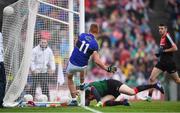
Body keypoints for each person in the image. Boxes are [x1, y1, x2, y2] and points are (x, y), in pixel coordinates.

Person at [66, 23, 117, 106]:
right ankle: (82, 84)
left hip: (72, 63)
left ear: (89, 30)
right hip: (82, 67)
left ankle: (74, 100)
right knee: (83, 65)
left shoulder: (82, 35)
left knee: (69, 78)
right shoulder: (95, 44)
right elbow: (97, 61)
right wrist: (106, 68)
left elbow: (76, 44)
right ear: (97, 32)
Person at [146, 24, 180, 101]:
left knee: (177, 80)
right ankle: (149, 97)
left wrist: (164, 51)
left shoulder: (167, 36)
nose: (160, 30)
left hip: (169, 63)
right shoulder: (162, 38)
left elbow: (175, 48)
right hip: (162, 62)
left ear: (166, 29)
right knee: (151, 78)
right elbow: (163, 50)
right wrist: (159, 53)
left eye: (162, 28)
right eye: (159, 29)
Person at [84, 79, 164, 107]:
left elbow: (93, 89)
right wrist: (100, 102)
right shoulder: (89, 95)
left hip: (112, 84)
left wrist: (99, 102)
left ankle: (155, 85)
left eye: (87, 101)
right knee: (105, 104)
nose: (89, 101)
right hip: (110, 92)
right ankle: (123, 102)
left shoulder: (89, 89)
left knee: (132, 92)